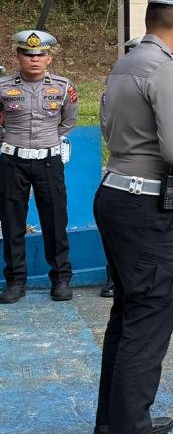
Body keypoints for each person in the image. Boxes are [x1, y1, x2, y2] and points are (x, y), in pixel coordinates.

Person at [94, 0, 173, 434]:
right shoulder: (168, 70)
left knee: (128, 313)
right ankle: (131, 426)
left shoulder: (127, 62)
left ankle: (115, 421)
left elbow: (114, 129)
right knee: (148, 318)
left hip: (117, 194)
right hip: (147, 205)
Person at [0, 29, 79, 304]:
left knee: (55, 220)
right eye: (28, 54)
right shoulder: (3, 86)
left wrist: (50, 140)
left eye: (40, 54)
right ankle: (15, 282)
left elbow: (69, 121)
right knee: (12, 222)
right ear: (18, 56)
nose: (34, 59)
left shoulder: (63, 87)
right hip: (13, 161)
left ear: (49, 58)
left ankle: (61, 279)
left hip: (48, 160)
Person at [100, 35, 144, 300]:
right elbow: (106, 126)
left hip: (154, 171)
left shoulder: (165, 83)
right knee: (119, 229)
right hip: (125, 167)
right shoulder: (113, 89)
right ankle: (113, 279)